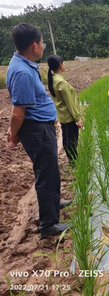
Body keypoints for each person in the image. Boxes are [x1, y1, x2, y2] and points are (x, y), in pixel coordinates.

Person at [6, 23, 70, 238]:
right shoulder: (22, 71)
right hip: (37, 130)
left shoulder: (26, 64)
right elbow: (17, 112)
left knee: (50, 170)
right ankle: (48, 225)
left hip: (41, 128)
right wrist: (12, 134)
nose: (43, 47)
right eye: (42, 43)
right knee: (47, 173)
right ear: (34, 45)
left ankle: (52, 204)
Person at [47, 54, 83, 163]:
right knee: (72, 141)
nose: (64, 64)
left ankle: (71, 160)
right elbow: (69, 103)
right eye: (63, 63)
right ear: (60, 65)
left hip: (62, 116)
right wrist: (78, 118)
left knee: (67, 139)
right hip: (69, 116)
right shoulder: (61, 82)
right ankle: (74, 162)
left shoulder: (53, 79)